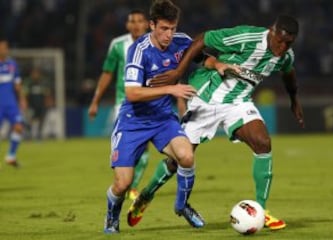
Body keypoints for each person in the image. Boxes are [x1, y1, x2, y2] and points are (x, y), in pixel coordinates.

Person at [128, 15, 305, 230]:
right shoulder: (247, 37)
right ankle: (145, 196)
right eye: (280, 41)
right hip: (206, 97)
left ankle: (260, 209)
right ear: (271, 32)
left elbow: (289, 72)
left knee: (262, 142)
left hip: (238, 103)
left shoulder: (285, 56)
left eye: (289, 44)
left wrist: (294, 99)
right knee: (178, 161)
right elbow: (203, 39)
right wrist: (177, 72)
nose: (283, 47)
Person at [103, 0, 205, 233]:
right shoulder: (138, 50)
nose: (169, 34)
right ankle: (111, 216)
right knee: (123, 184)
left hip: (162, 119)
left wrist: (217, 63)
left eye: (173, 28)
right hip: (132, 121)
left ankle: (182, 206)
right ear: (152, 25)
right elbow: (132, 92)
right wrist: (171, 88)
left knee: (186, 156)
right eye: (163, 29)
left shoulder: (181, 42)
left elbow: (201, 56)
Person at [88, 9, 149, 200]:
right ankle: (123, 183)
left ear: (147, 24)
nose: (137, 24)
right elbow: (107, 73)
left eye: (140, 21)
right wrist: (95, 100)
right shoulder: (118, 45)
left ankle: (132, 187)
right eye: (133, 21)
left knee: (144, 147)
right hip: (123, 104)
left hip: (148, 103)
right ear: (127, 25)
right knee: (125, 148)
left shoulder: (154, 43)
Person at [0, 36, 27, 167]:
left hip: (10, 103)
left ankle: (11, 156)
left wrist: (22, 98)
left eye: (6, 47)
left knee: (19, 126)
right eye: (2, 47)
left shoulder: (12, 64)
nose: (5, 50)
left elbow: (17, 83)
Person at [24, 67, 51, 140]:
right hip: (31, 105)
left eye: (36, 73)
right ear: (31, 74)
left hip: (41, 105)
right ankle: (28, 135)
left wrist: (47, 103)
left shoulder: (43, 83)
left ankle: (39, 135)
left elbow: (47, 94)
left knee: (41, 120)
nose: (35, 75)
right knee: (29, 120)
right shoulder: (28, 82)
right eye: (34, 73)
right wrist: (25, 103)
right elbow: (25, 94)